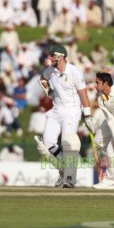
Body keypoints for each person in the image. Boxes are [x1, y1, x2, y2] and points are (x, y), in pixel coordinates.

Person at [34, 44, 92, 188]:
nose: (49, 58)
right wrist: (49, 92)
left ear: (60, 57)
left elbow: (83, 94)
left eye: (52, 56)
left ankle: (70, 179)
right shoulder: (50, 71)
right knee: (48, 144)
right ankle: (63, 171)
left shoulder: (74, 72)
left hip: (71, 111)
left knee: (68, 144)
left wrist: (88, 115)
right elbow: (42, 79)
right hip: (56, 109)